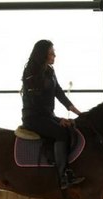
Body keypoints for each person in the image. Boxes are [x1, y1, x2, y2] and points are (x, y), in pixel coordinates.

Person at [21, 39, 84, 189]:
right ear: (43, 54)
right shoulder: (31, 72)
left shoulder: (50, 71)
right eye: (51, 53)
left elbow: (59, 93)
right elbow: (36, 104)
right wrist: (57, 119)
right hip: (34, 118)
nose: (54, 55)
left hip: (47, 115)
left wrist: (78, 112)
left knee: (70, 129)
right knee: (61, 133)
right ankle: (63, 176)